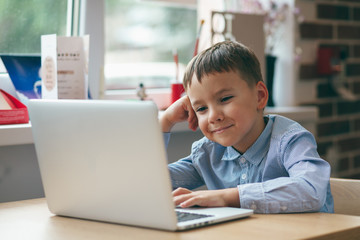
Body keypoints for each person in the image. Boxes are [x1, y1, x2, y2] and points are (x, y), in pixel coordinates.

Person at [159, 40, 334, 213]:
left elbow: (311, 190)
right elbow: (148, 181)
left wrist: (226, 197)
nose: (213, 116)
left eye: (225, 99)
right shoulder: (207, 154)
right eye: (201, 108)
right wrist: (165, 121)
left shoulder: (290, 141)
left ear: (259, 96)